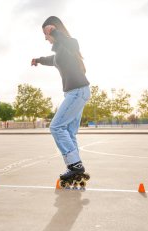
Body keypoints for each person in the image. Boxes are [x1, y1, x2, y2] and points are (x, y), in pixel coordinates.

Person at [31, 16, 90, 181]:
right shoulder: (60, 52)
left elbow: (73, 43)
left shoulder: (68, 45)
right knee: (69, 133)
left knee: (56, 127)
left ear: (53, 30)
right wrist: (39, 60)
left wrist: (56, 33)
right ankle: (75, 167)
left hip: (77, 92)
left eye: (46, 34)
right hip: (76, 93)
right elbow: (53, 60)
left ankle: (75, 165)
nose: (45, 38)